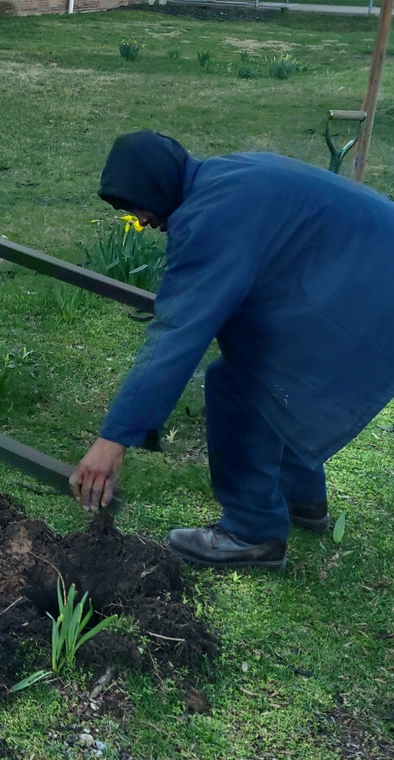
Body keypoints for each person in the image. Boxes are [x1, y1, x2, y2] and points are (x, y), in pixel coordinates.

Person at [69, 130, 394, 571]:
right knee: (269, 360)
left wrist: (113, 439)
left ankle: (251, 533)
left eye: (136, 206)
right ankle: (302, 498)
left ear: (157, 187)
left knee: (239, 382)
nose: (140, 221)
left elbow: (178, 333)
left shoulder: (209, 219)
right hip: (363, 271)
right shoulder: (224, 175)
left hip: (371, 290)